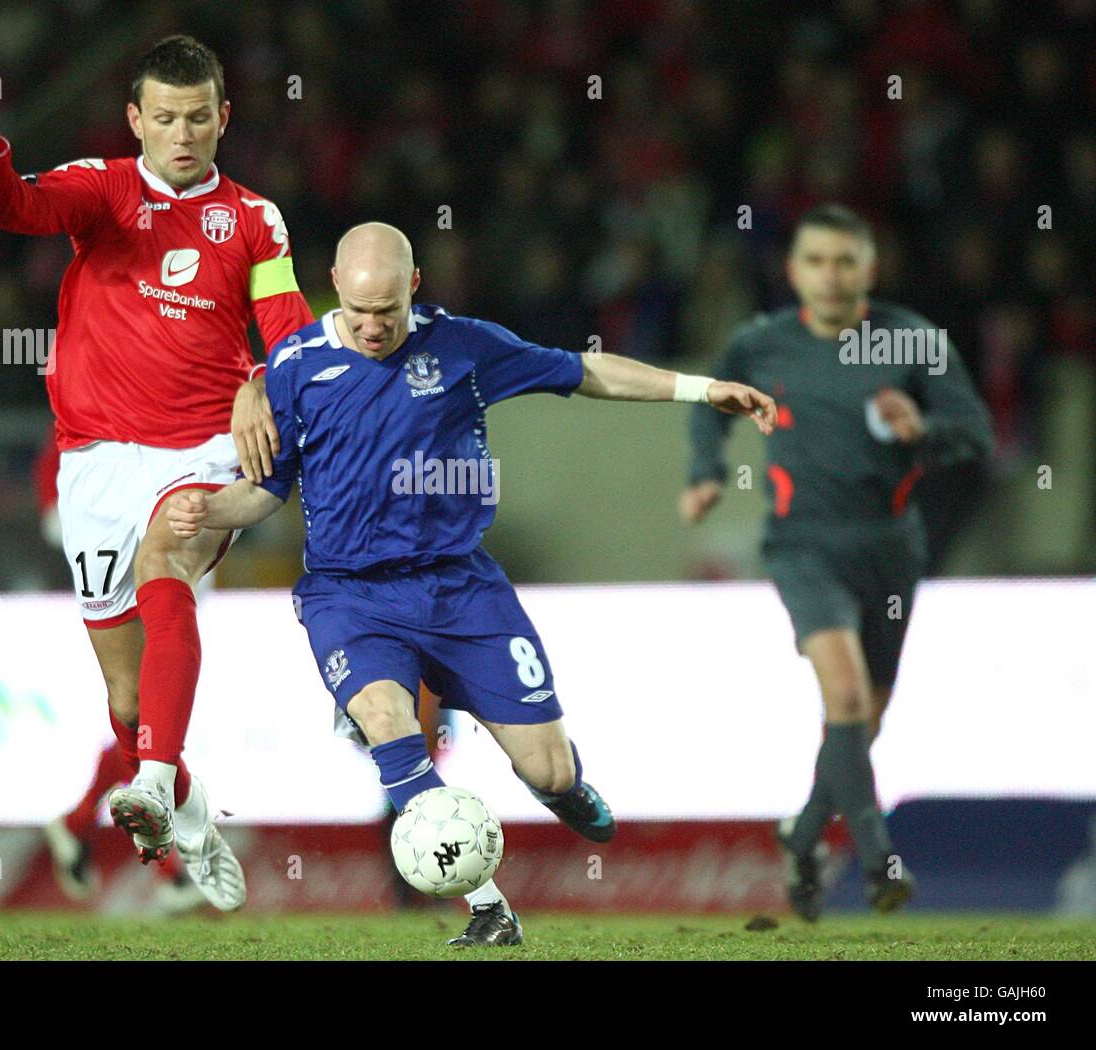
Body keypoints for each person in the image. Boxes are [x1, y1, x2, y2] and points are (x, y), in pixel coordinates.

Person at [166, 222, 777, 945]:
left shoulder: (465, 347)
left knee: (546, 769)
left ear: (414, 286)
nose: (370, 327)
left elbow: (587, 372)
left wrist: (704, 391)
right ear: (333, 284)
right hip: (349, 596)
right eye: (357, 312)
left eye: (386, 313)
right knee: (388, 723)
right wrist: (207, 506)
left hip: (460, 591)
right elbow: (266, 490)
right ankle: (487, 905)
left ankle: (563, 788)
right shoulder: (293, 365)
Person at [0, 35, 314, 910]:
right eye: (164, 119)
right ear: (135, 120)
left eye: (197, 118)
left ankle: (148, 782)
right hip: (96, 457)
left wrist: (263, 378)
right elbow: (18, 210)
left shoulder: (257, 220)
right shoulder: (103, 189)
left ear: (224, 118)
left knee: (166, 560)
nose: (181, 135)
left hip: (202, 450)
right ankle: (185, 806)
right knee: (123, 689)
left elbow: (288, 328)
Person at [679, 204, 993, 920]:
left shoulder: (911, 341)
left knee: (865, 718)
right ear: (793, 270)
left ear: (869, 270)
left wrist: (927, 430)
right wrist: (706, 470)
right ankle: (880, 859)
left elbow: (973, 431)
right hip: (802, 545)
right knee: (845, 696)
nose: (830, 275)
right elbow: (709, 401)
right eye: (816, 261)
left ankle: (803, 832)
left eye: (845, 261)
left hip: (889, 547)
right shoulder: (762, 344)